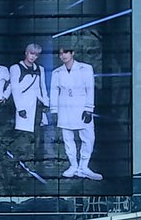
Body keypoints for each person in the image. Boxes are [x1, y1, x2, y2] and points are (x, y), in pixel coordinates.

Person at [50, 45, 101, 180]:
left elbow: (90, 89)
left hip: (81, 106)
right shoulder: (57, 72)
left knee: (88, 137)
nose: (63, 56)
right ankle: (73, 165)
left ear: (72, 53)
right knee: (68, 139)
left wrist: (89, 109)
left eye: (66, 52)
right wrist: (54, 110)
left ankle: (84, 166)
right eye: (60, 53)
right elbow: (54, 91)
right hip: (64, 107)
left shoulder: (85, 68)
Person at [10, 43, 49, 165]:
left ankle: (34, 161)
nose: (33, 57)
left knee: (37, 133)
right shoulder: (15, 68)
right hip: (23, 105)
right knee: (23, 134)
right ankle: (20, 161)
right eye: (32, 53)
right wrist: (20, 108)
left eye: (36, 55)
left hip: (37, 105)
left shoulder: (40, 69)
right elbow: (15, 89)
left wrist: (46, 102)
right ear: (26, 53)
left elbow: (42, 87)